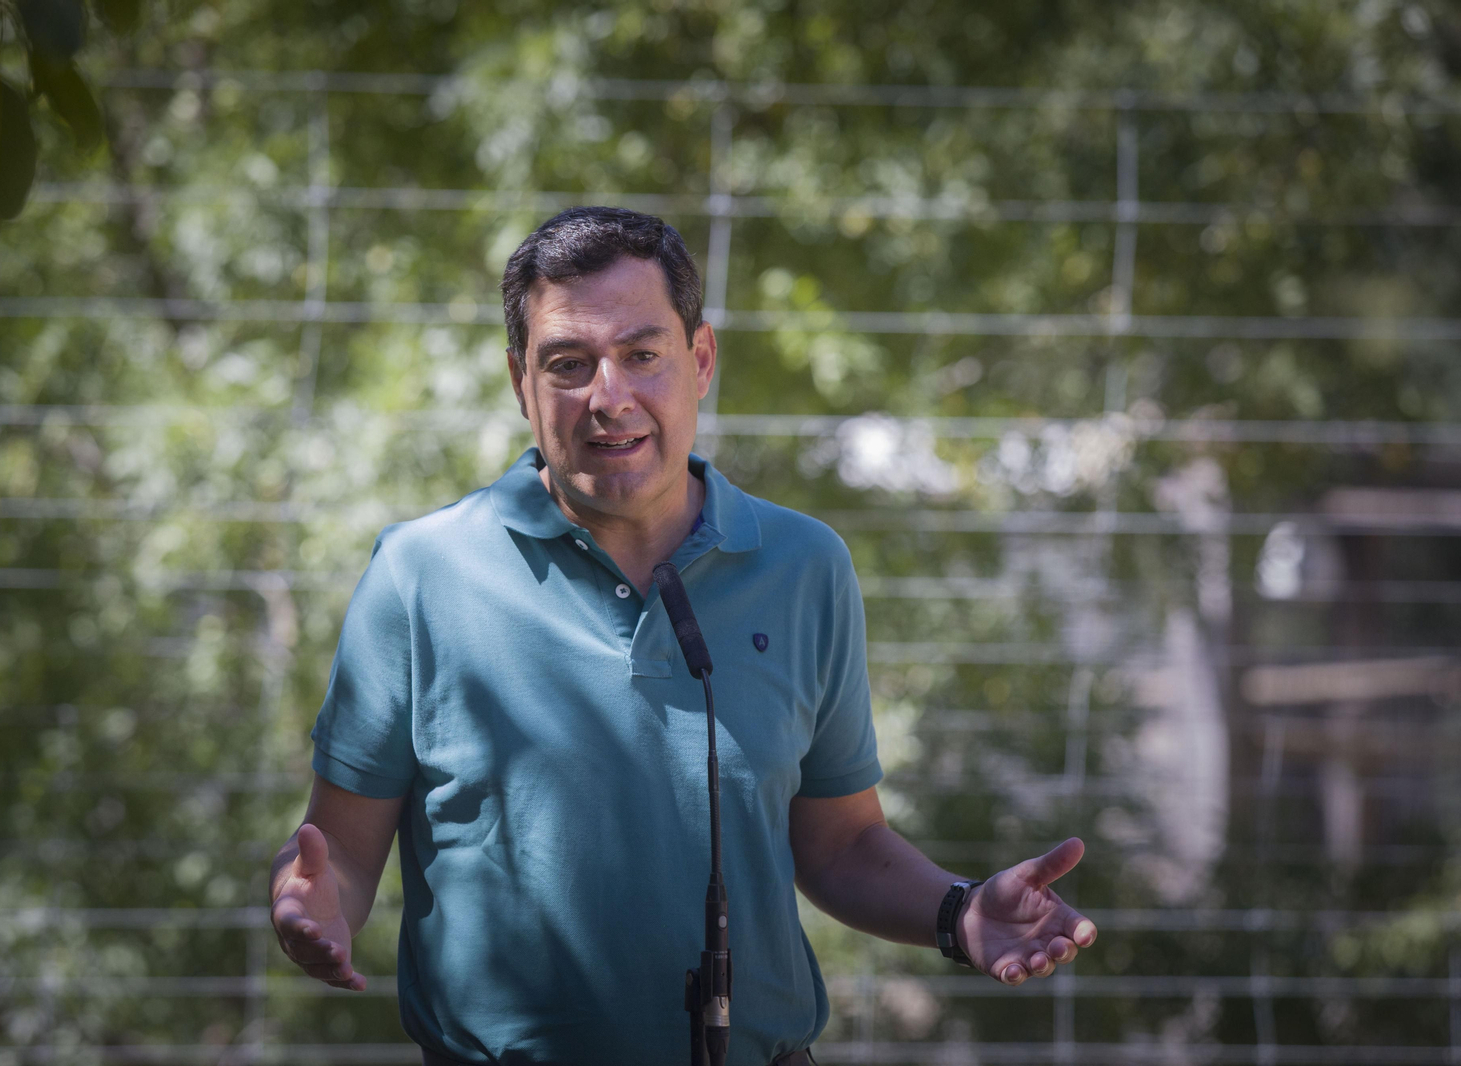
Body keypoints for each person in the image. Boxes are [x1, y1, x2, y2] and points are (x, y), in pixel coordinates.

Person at [268, 206, 1097, 1065]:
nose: (608, 395)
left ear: (699, 361)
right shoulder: (420, 573)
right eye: (568, 364)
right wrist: (314, 899)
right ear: (521, 381)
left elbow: (841, 843)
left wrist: (959, 914)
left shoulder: (806, 566)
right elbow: (342, 850)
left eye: (641, 354)